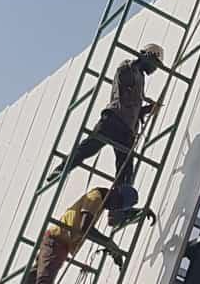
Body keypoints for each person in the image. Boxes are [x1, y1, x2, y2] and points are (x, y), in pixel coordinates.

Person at [2, 185, 132, 284]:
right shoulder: (95, 197)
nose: (113, 208)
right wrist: (110, 244)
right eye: (117, 203)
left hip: (60, 243)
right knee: (45, 277)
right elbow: (86, 228)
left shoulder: (100, 201)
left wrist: (112, 247)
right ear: (114, 193)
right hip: (58, 240)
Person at [46, 43, 165, 188]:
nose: (155, 68)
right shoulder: (129, 67)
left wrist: (148, 109)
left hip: (126, 129)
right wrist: (135, 68)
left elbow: (133, 108)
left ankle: (119, 206)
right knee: (89, 147)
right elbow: (124, 80)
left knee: (126, 171)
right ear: (147, 56)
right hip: (114, 120)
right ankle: (62, 169)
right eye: (155, 63)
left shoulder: (140, 76)